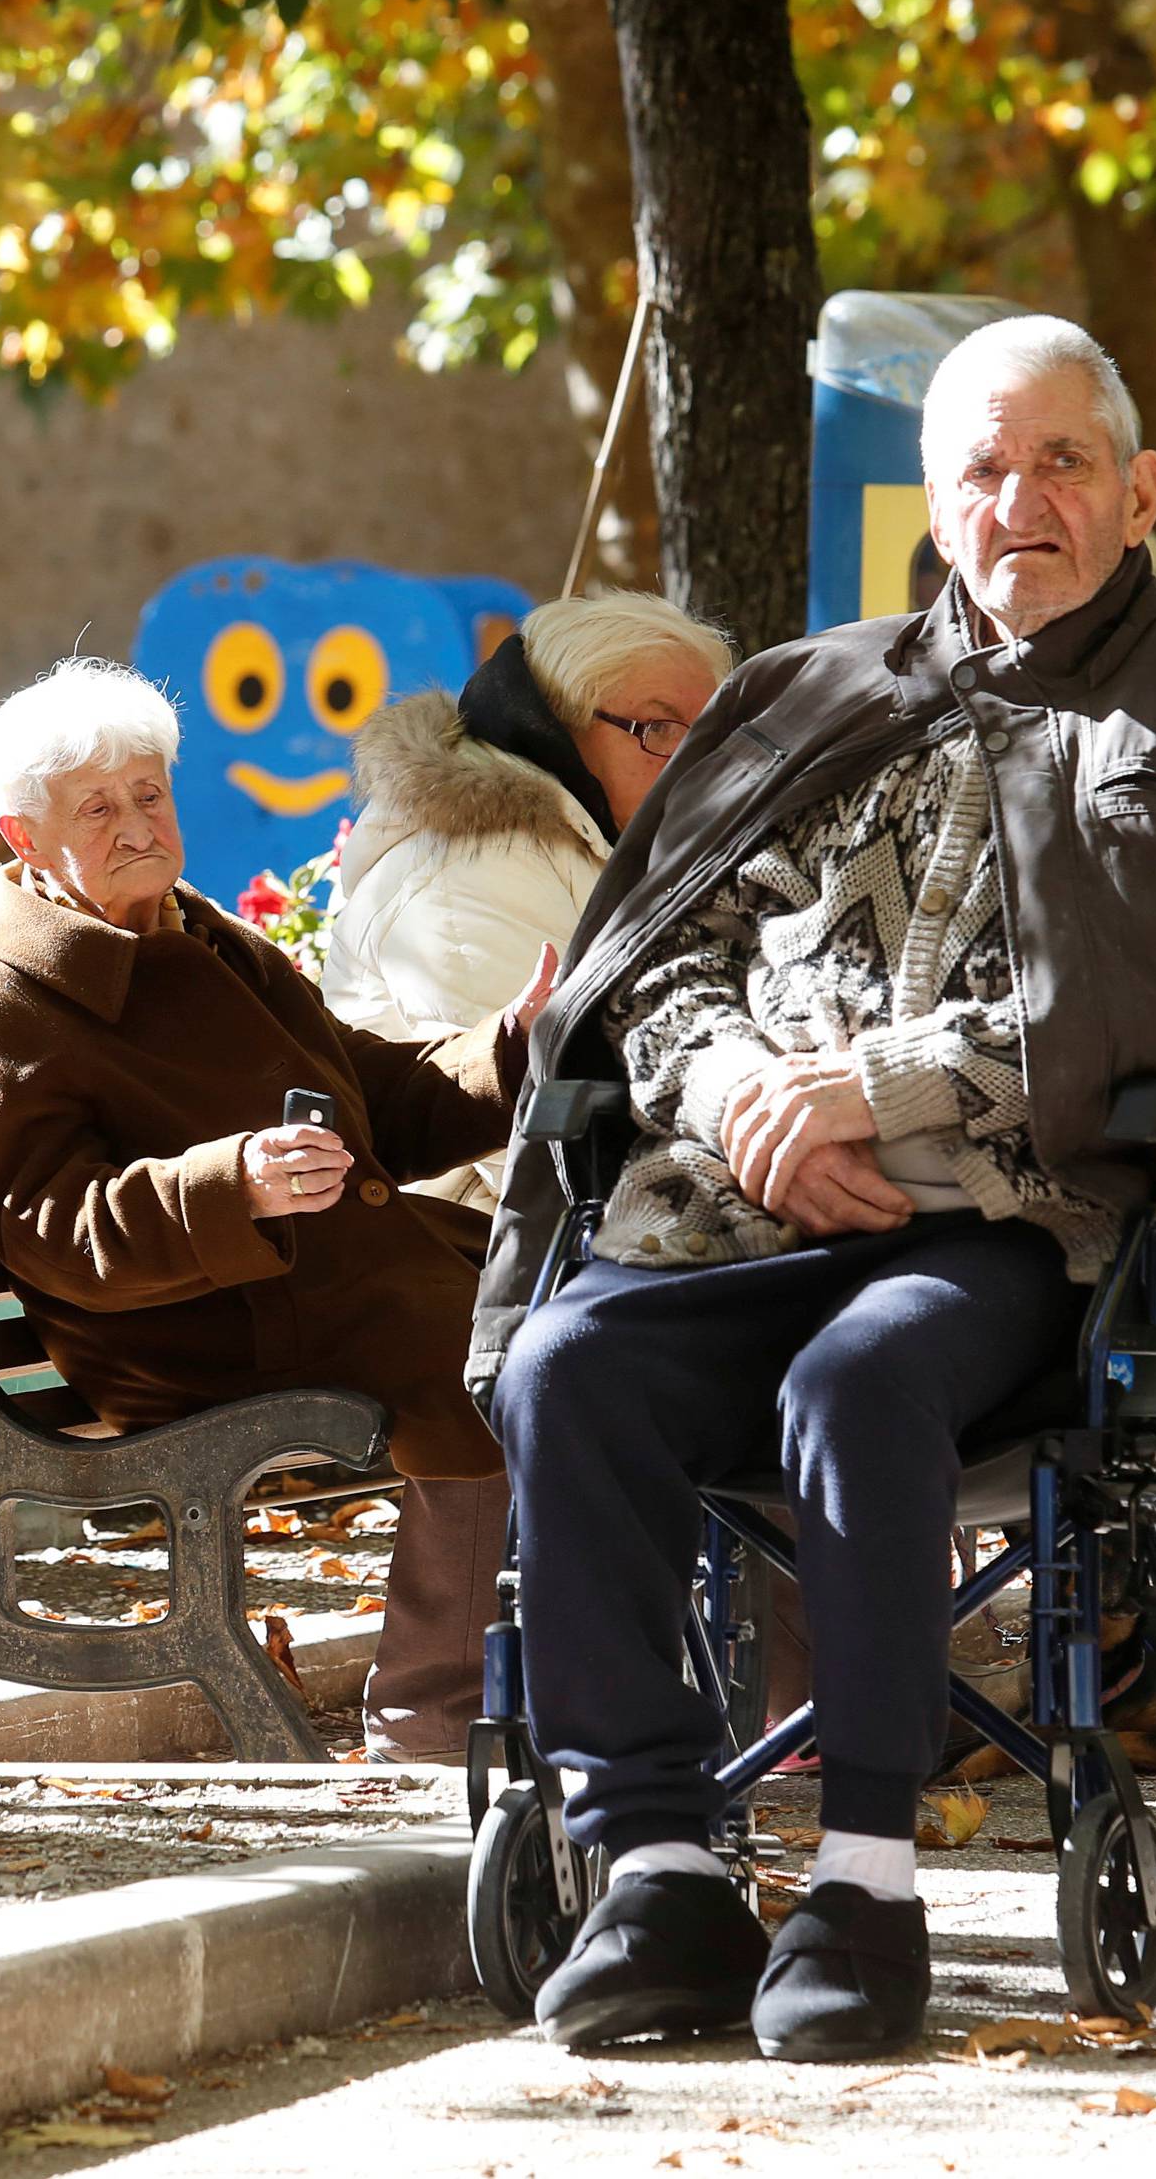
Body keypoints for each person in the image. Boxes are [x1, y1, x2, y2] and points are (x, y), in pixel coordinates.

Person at [472, 315, 1156, 2061]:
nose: (1024, 502)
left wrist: (884, 1085)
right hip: (743, 1205)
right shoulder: (808, 693)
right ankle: (657, 1867)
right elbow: (658, 952)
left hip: (1022, 1241)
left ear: (1139, 491)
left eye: (1063, 461)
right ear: (936, 500)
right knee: (571, 1371)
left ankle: (863, 1885)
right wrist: (747, 1087)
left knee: (863, 1380)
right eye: (985, 468)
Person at [0, 659, 550, 1541]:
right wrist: (237, 1186)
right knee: (504, 1352)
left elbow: (368, 1098)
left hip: (329, 1290)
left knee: (598, 1303)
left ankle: (643, 1637)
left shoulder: (208, 936)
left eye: (149, 793)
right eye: (98, 808)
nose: (139, 825)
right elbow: (57, 1230)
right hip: (206, 1340)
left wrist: (517, 1044)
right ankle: (445, 1671)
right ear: (23, 836)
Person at [323, 593, 732, 1759]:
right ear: (560, 724)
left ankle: (794, 1704)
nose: (684, 759)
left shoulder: (587, 837)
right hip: (463, 1235)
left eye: (706, 732)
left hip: (548, 1214)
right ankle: (787, 1709)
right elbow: (507, 1132)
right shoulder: (486, 864)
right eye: (656, 727)